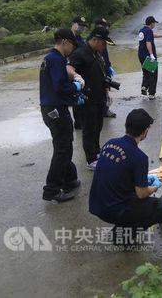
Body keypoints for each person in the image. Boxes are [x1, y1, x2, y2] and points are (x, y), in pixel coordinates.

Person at [89, 109, 162, 243]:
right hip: (113, 209)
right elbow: (142, 194)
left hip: (96, 204)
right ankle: (122, 237)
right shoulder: (139, 157)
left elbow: (119, 173)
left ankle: (121, 229)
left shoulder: (109, 143)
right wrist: (154, 187)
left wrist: (142, 180)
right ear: (145, 131)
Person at [40, 29, 84, 202]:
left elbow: (55, 87)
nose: (72, 49)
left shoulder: (50, 58)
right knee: (63, 148)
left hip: (52, 108)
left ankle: (70, 179)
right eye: (72, 45)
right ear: (65, 42)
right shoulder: (56, 59)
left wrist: (73, 98)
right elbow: (60, 86)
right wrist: (76, 87)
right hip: (56, 110)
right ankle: (52, 189)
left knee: (63, 146)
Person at [68, 27, 115, 170]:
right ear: (95, 40)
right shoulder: (80, 53)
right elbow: (69, 68)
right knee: (89, 129)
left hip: (99, 97)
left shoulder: (96, 54)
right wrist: (76, 77)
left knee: (98, 127)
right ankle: (91, 159)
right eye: (103, 43)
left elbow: (101, 73)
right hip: (87, 99)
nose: (104, 47)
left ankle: (97, 151)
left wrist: (106, 91)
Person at [138, 16, 162, 99]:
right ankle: (151, 94)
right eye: (154, 23)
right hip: (148, 56)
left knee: (145, 72)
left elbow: (152, 36)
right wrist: (151, 54)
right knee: (153, 74)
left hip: (141, 55)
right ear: (151, 23)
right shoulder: (148, 31)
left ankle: (144, 87)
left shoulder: (143, 30)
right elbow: (148, 42)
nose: (154, 24)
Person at [94, 17, 117, 119]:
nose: (106, 27)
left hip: (105, 66)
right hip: (100, 69)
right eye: (104, 26)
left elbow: (105, 55)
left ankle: (105, 109)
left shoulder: (103, 38)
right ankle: (103, 110)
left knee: (106, 88)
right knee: (102, 89)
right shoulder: (96, 39)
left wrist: (109, 65)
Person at [70, 16, 88, 129]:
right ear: (74, 24)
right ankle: (78, 123)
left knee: (82, 97)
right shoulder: (68, 38)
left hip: (81, 71)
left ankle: (82, 120)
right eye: (80, 25)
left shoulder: (80, 39)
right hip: (72, 71)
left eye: (83, 27)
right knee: (76, 97)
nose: (82, 28)